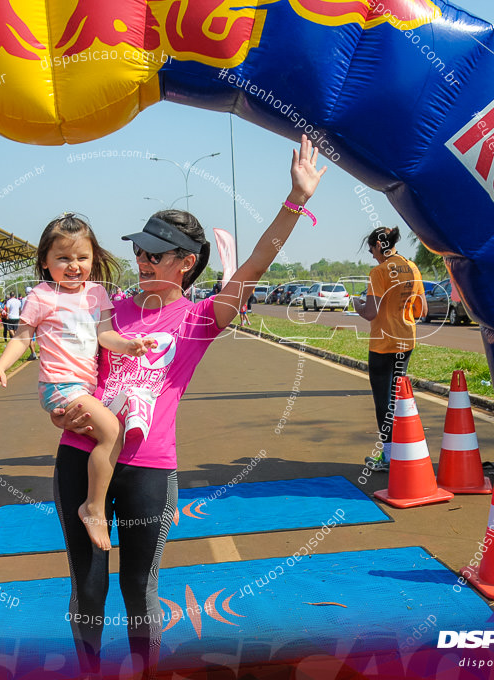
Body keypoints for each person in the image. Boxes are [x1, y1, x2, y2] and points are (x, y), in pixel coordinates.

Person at [50, 136, 326, 676]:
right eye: (140, 251)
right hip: (79, 456)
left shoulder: (199, 319)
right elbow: (63, 366)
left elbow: (256, 261)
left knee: (137, 587)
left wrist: (295, 199)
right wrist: (57, 407)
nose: (143, 260)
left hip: (150, 468)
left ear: (187, 262)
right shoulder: (105, 305)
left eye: (156, 254)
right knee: (88, 584)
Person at [0, 214, 157, 551]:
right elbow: (21, 338)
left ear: (93, 258)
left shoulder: (97, 293)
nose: (74, 265)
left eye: (82, 257)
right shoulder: (41, 296)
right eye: (63, 258)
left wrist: (129, 346)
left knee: (121, 435)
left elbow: (105, 335)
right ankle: (92, 506)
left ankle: (128, 500)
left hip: (84, 388)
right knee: (113, 433)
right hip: (60, 385)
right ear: (45, 262)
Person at [350, 226, 425, 472]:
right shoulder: (413, 268)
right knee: (398, 398)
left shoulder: (379, 272)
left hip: (383, 344)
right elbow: (420, 311)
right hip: (406, 340)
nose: (372, 255)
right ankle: (405, 451)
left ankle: (389, 457)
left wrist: (357, 304)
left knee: (383, 402)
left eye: (372, 249)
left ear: (379, 246)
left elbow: (370, 312)